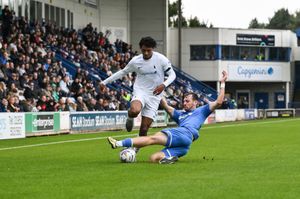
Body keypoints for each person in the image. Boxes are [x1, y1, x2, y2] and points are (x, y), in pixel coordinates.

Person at [107, 71, 228, 164]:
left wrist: (222, 83)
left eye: (187, 101)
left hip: (185, 134)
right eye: (183, 101)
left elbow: (219, 101)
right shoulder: (180, 115)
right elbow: (165, 105)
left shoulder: (202, 110)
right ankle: (170, 159)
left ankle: (118, 143)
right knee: (153, 159)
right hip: (185, 145)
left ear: (196, 102)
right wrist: (158, 87)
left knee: (152, 138)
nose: (184, 103)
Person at [100, 36, 176, 137]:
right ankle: (130, 117)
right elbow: (123, 72)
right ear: (140, 48)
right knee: (134, 111)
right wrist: (104, 82)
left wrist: (163, 85)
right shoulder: (136, 61)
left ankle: (134, 150)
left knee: (144, 129)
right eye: (143, 50)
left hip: (154, 95)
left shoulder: (161, 59)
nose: (146, 53)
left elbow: (173, 75)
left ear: (152, 49)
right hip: (141, 91)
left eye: (148, 50)